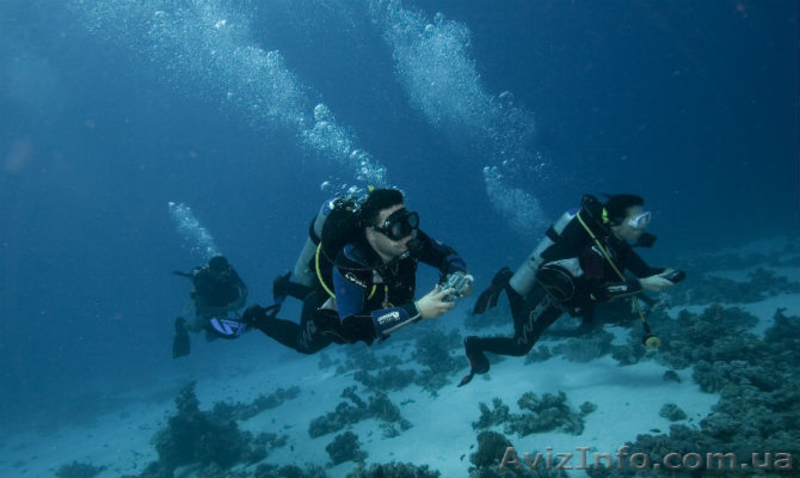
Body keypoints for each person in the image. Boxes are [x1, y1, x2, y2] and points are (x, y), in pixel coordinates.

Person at [459, 194, 684, 386]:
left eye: (646, 217)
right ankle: (475, 343)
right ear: (616, 222)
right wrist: (641, 285)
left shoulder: (617, 245)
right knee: (520, 346)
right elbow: (596, 292)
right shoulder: (595, 249)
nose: (644, 225)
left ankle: (510, 282)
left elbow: (644, 271)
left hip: (565, 297)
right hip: (550, 295)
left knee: (523, 324)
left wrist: (671, 273)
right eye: (639, 220)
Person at [242, 187, 473, 354]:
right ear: (371, 232)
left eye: (410, 220)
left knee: (355, 295)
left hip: (358, 294)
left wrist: (458, 275)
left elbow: (448, 255)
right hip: (337, 299)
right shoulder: (352, 260)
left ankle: (283, 286)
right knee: (307, 345)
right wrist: (417, 310)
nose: (408, 234)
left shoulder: (407, 238)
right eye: (396, 226)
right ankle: (256, 316)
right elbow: (351, 326)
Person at [172, 255, 249, 357]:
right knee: (196, 328)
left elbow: (244, 288)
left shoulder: (229, 272)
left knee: (214, 333)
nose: (224, 275)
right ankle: (182, 324)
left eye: (226, 271)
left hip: (222, 300)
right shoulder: (202, 281)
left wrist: (241, 300)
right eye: (221, 273)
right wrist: (228, 308)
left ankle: (211, 329)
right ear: (211, 271)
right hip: (208, 303)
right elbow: (204, 309)